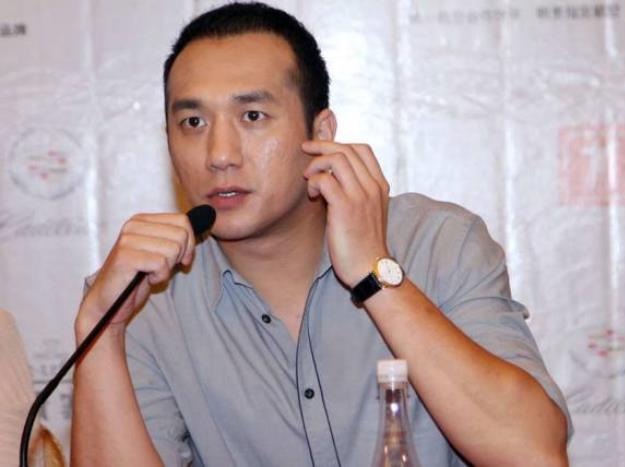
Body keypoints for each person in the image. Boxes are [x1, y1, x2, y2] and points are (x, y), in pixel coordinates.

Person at [71, 2, 571, 466]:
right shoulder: (146, 295)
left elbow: (533, 453)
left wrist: (375, 273)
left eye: (252, 116)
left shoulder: (438, 243)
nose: (219, 154)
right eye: (193, 122)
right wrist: (100, 327)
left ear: (321, 133)